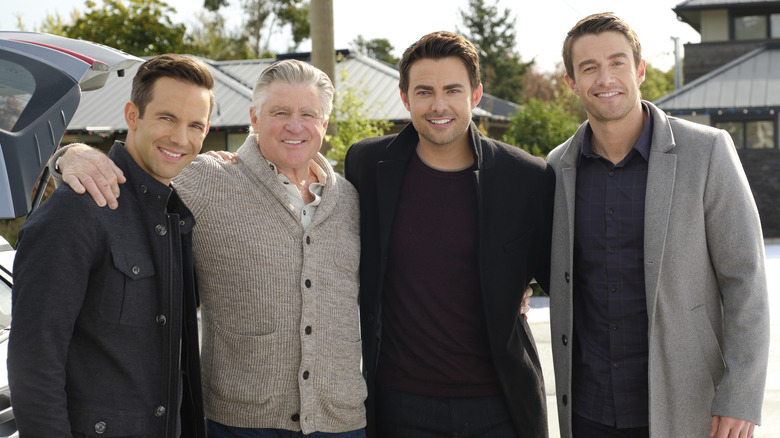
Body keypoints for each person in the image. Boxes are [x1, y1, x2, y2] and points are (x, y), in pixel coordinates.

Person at [48, 59, 367, 437]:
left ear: (324, 123)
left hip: (342, 421)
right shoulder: (205, 178)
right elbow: (132, 178)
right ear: (254, 117)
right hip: (240, 423)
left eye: (308, 114)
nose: (294, 126)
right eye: (280, 112)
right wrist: (70, 155)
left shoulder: (349, 199)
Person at [546, 12, 769, 438]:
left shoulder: (706, 152)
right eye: (588, 67)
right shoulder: (557, 169)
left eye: (617, 62)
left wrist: (740, 394)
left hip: (687, 403)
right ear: (572, 83)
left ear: (640, 70)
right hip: (588, 408)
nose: (604, 77)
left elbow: (746, 279)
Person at [344, 31, 555, 438]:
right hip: (398, 405)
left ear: (475, 95)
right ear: (405, 98)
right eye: (424, 91)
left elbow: (558, 276)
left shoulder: (526, 176)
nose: (438, 105)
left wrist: (516, 287)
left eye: (452, 90)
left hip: (501, 404)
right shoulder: (368, 164)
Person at [8, 54, 215, 437]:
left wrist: (66, 152)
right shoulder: (78, 209)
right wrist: (68, 153)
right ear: (133, 115)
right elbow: (34, 364)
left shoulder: (175, 216)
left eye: (196, 125)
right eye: (167, 118)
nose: (181, 138)